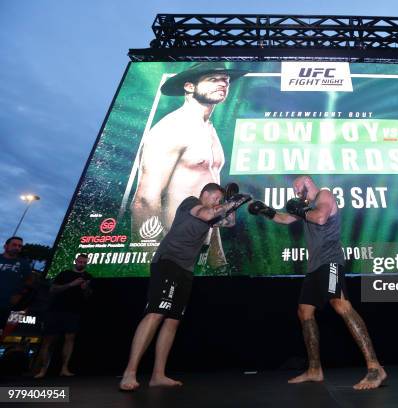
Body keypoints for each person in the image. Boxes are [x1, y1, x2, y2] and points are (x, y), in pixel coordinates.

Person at [248, 176, 387, 390]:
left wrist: (301, 210)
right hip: (314, 268)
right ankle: (314, 369)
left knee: (340, 304)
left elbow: (321, 218)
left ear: (307, 183)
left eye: (297, 187)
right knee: (304, 311)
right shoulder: (307, 207)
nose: (296, 193)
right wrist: (264, 211)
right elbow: (285, 219)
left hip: (330, 262)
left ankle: (375, 367)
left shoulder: (324, 195)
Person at [119, 183, 250, 391]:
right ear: (205, 194)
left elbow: (229, 223)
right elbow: (207, 214)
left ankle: (158, 375)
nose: (218, 202)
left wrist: (232, 205)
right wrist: (230, 203)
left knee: (173, 321)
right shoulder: (192, 203)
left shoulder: (212, 212)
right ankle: (130, 372)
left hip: (186, 269)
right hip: (168, 262)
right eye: (216, 198)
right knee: (155, 313)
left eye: (220, 200)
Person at [130, 63, 246, 271]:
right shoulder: (172, 128)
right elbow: (145, 200)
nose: (222, 83)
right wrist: (150, 263)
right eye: (213, 79)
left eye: (225, 80)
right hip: (174, 249)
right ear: (189, 87)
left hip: (198, 248)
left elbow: (211, 203)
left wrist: (217, 260)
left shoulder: (208, 129)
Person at [33, 254, 93, 378]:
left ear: (87, 263)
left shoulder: (88, 276)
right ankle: (42, 370)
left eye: (84, 262)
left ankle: (64, 368)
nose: (81, 264)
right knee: (48, 340)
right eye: (80, 261)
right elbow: (53, 289)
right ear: (75, 261)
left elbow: (88, 296)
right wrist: (71, 284)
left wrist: (85, 289)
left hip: (73, 311)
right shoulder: (64, 274)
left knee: (70, 339)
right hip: (55, 310)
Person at [0, 237, 32, 334]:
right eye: (14, 245)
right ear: (6, 246)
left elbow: (29, 280)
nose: (17, 247)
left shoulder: (24, 264)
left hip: (6, 307)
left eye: (19, 246)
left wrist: (20, 294)